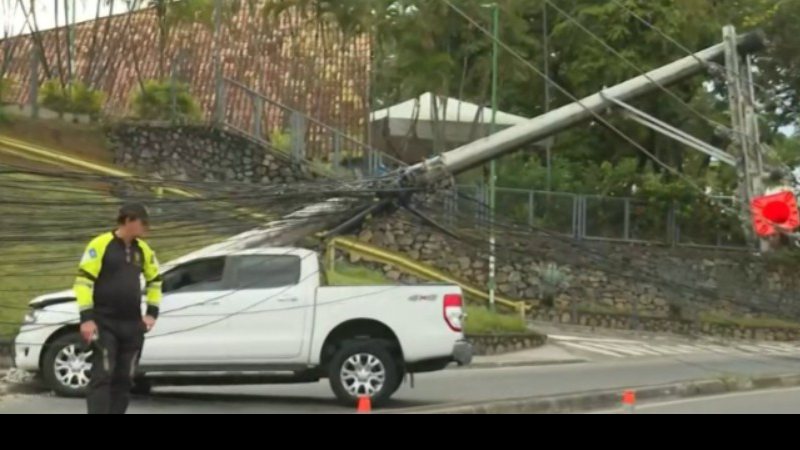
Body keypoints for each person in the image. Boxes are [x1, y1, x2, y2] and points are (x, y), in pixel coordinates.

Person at [73, 203, 162, 414]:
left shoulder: (144, 249)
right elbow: (83, 282)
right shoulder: (101, 244)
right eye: (143, 223)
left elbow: (156, 281)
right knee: (103, 375)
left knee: (125, 378)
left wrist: (151, 313)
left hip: (132, 325)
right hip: (105, 323)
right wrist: (86, 318)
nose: (146, 228)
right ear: (129, 220)